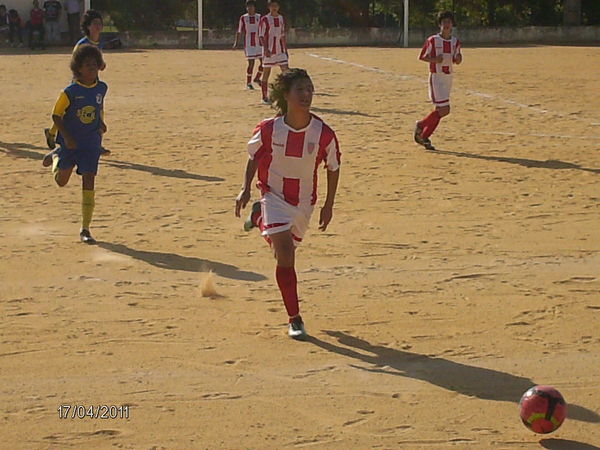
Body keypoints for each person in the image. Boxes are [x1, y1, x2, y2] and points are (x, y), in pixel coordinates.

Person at [235, 69, 341, 340]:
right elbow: (254, 157)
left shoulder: (323, 133)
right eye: (300, 89)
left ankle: (258, 218)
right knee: (285, 254)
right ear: (286, 94)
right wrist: (245, 188)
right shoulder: (269, 129)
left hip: (304, 202)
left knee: (283, 251)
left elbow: (333, 167)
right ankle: (295, 318)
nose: (306, 94)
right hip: (273, 195)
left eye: (309, 89)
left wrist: (329, 204)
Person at [42, 44, 108, 244]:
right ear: (78, 68)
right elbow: (56, 115)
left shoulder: (102, 88)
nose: (92, 68)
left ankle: (85, 229)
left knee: (89, 179)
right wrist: (67, 137)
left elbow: (98, 107)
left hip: (91, 143)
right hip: (70, 144)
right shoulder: (69, 92)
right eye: (88, 65)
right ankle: (56, 155)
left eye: (95, 64)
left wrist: (101, 122)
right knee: (61, 181)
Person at [45, 9, 107, 152]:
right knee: (68, 110)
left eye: (100, 23)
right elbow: (76, 63)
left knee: (98, 109)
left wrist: (101, 64)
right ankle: (52, 132)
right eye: (95, 23)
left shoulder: (98, 42)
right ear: (88, 26)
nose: (98, 26)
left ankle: (97, 141)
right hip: (80, 81)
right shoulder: (82, 44)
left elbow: (98, 60)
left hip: (93, 81)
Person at [414, 11, 462, 151]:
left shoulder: (455, 42)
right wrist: (435, 59)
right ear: (440, 24)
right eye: (444, 22)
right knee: (445, 110)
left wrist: (458, 59)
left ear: (452, 24)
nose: (446, 25)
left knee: (440, 111)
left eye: (449, 22)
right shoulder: (433, 40)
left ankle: (424, 137)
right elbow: (422, 56)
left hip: (448, 78)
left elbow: (457, 58)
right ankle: (421, 125)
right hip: (437, 77)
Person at [258, 0, 289, 104]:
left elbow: (282, 35)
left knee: (286, 72)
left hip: (280, 51)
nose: (274, 8)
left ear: (278, 7)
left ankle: (286, 96)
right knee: (266, 73)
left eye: (276, 5)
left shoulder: (281, 18)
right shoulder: (265, 19)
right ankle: (264, 97)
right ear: (269, 7)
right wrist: (266, 49)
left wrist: (285, 50)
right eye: (272, 6)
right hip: (269, 51)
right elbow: (261, 35)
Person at [233, 0, 263, 90]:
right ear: (246, 8)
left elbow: (264, 29)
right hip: (249, 43)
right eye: (248, 7)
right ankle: (248, 83)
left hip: (259, 43)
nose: (250, 8)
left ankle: (257, 78)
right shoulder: (243, 18)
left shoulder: (259, 17)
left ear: (254, 7)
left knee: (264, 63)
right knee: (251, 63)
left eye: (251, 6)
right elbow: (239, 31)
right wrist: (236, 42)